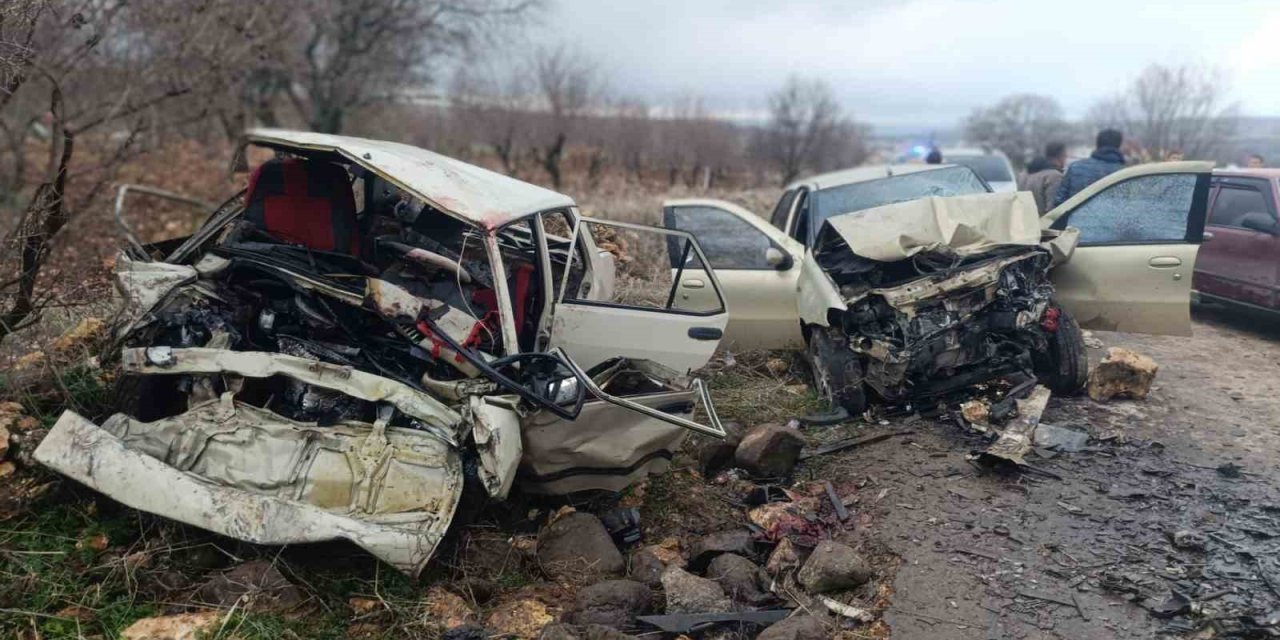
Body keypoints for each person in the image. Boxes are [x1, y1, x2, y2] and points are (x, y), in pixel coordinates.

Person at [1054, 129, 1126, 206]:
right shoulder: (1125, 173)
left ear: (1097, 144)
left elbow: (1059, 200)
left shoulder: (1075, 167)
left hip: (1078, 217)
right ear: (1119, 146)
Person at [1021, 142, 1067, 214]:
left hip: (1026, 220)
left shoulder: (1025, 174)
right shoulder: (1054, 176)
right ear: (1061, 156)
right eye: (1065, 156)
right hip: (1042, 223)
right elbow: (1053, 209)